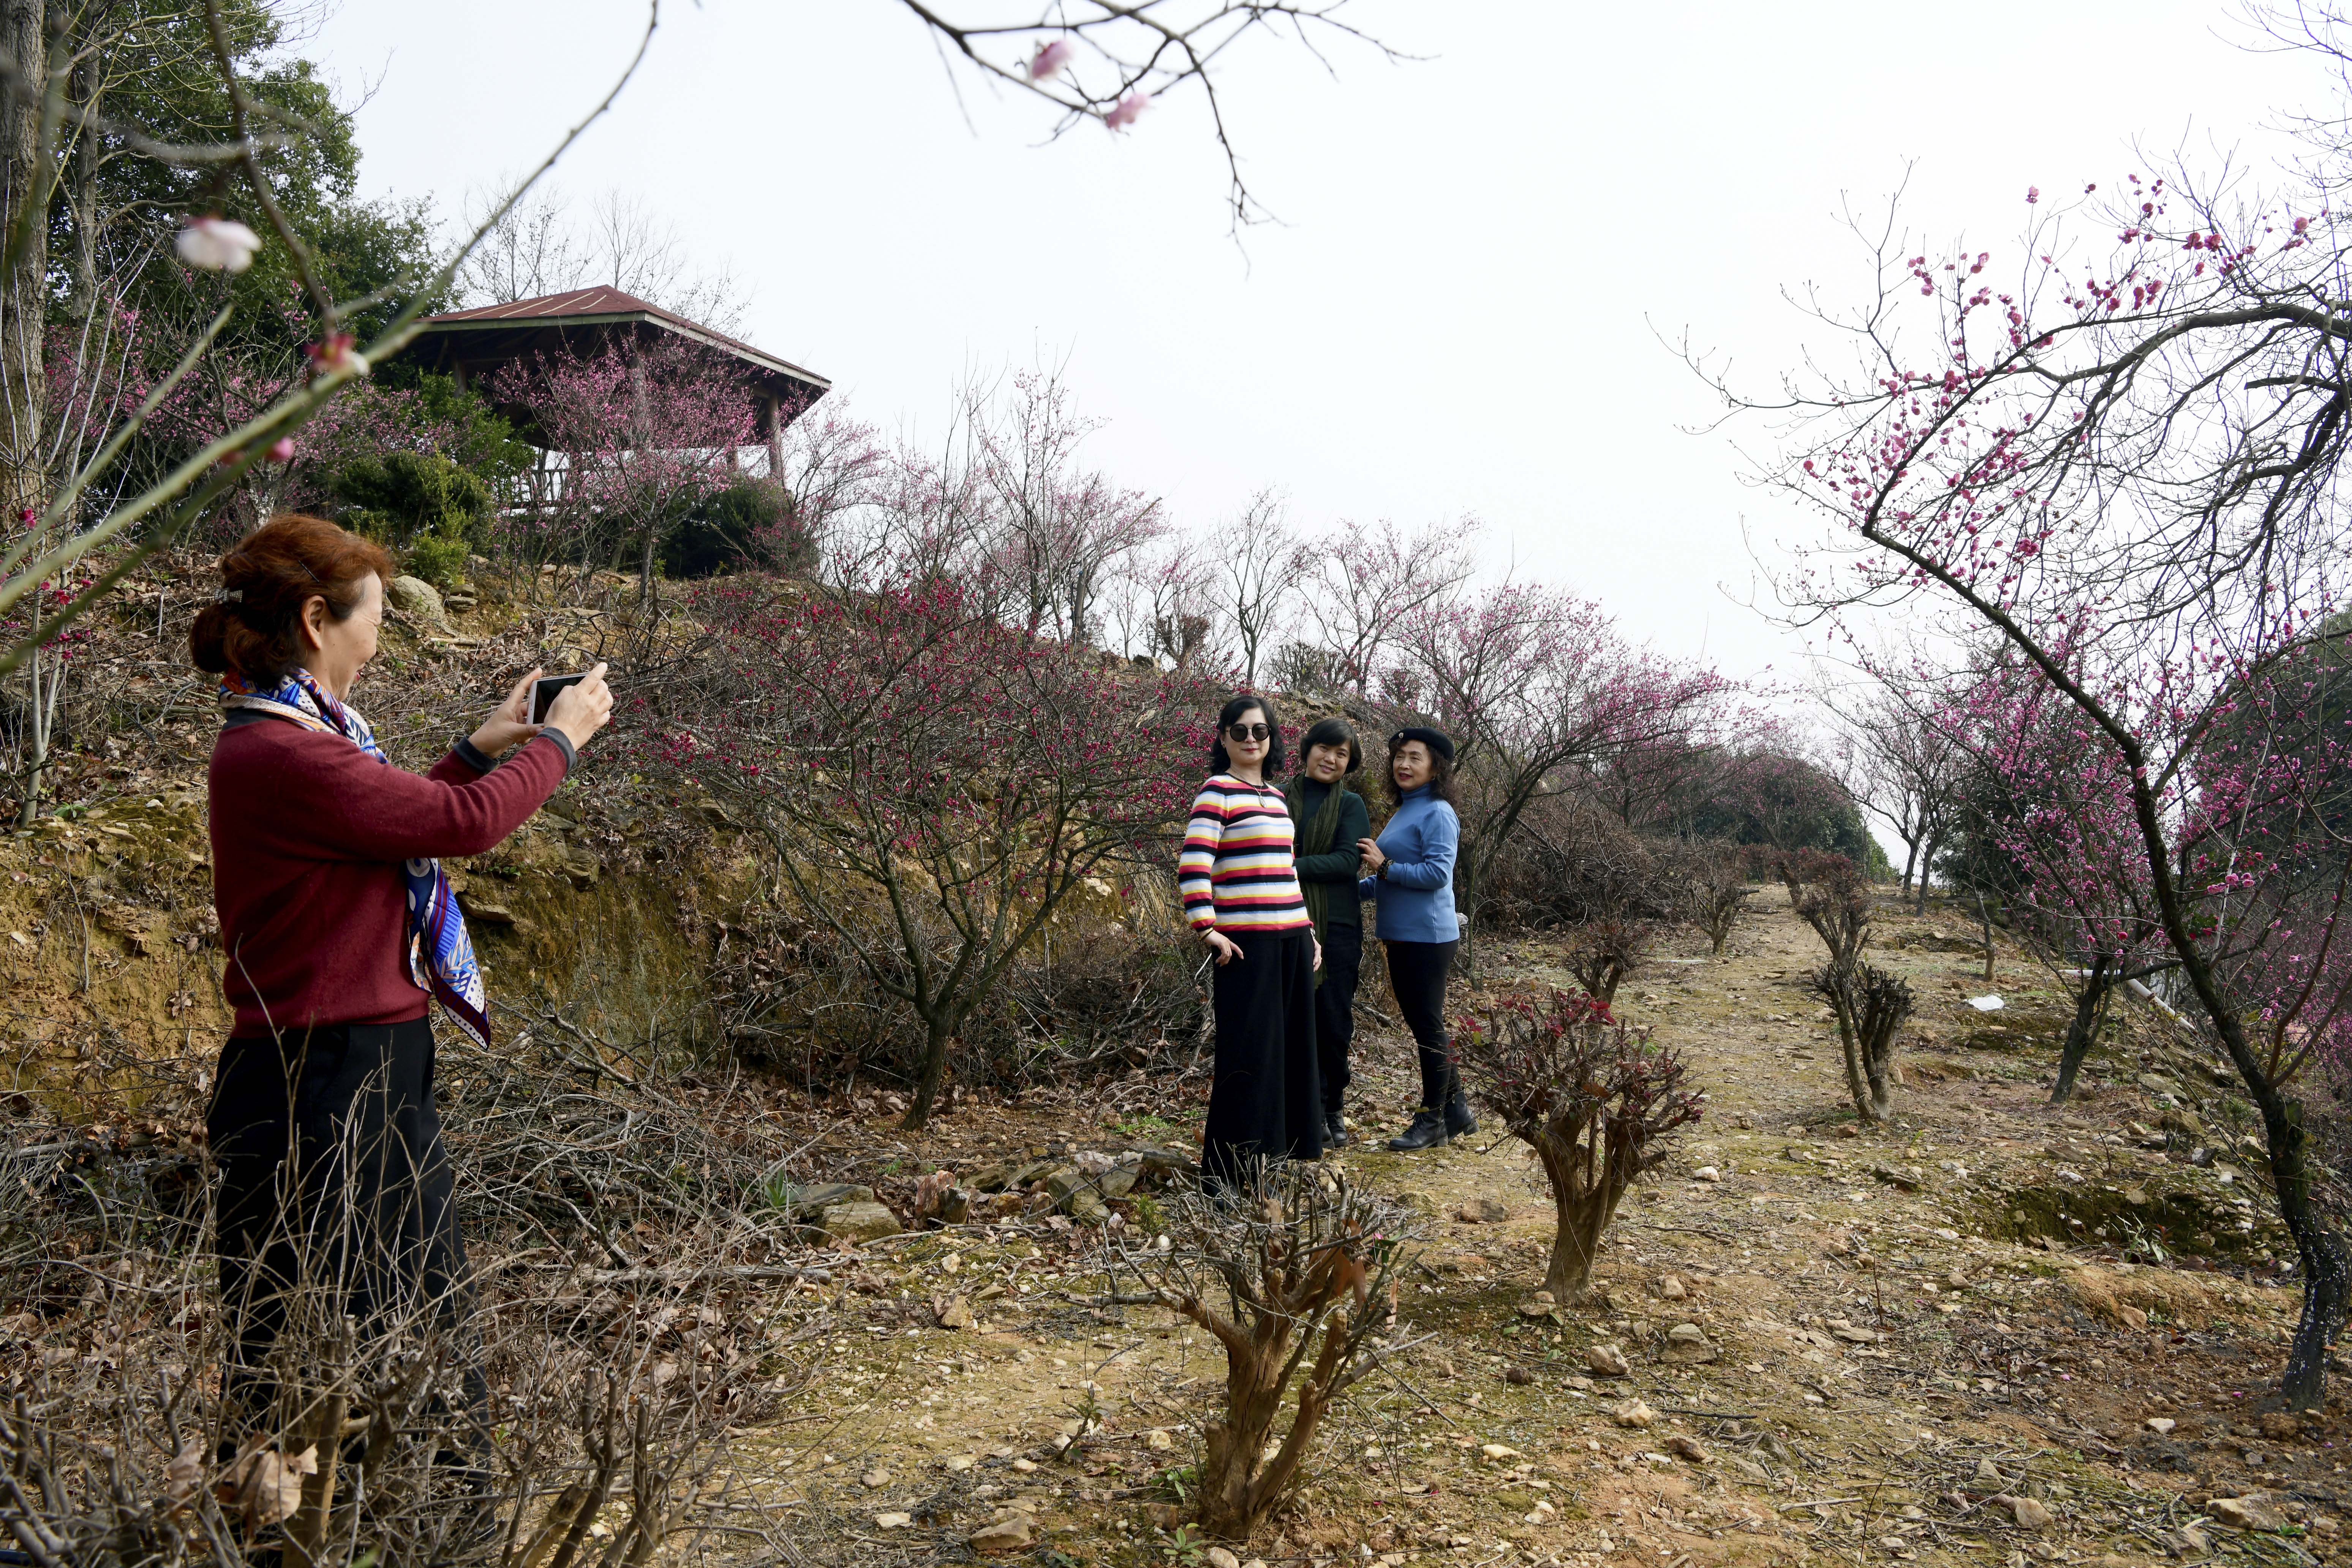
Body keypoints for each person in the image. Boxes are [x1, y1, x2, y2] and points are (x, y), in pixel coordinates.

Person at [191, 514, 612, 1432]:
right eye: (375, 613)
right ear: (316, 619)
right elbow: (459, 825)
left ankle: (309, 1523)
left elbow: (386, 826)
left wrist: (478, 747)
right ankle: (430, 1526)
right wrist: (560, 740)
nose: (381, 635)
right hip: (338, 1083)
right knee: (409, 1334)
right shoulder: (290, 751)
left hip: (317, 1071)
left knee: (301, 1343)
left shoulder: (296, 738)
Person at [1179, 695, 1323, 1189]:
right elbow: (1193, 866)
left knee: (1288, 1053)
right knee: (1247, 1056)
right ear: (1223, 739)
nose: (1250, 740)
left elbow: (1286, 874)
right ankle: (1223, 1179)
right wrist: (1208, 928)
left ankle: (1270, 1162)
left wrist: (1308, 931)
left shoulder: (1279, 799)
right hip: (1245, 948)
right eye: (1239, 732)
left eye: (1259, 732)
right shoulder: (1216, 792)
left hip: (1291, 942)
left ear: (1271, 739)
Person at [1359, 726, 1475, 1152]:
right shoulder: (1406, 808)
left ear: (1435, 767)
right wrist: (1345, 891)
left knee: (1427, 1026)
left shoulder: (1439, 812)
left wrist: (1384, 867)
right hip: (1404, 935)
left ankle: (1432, 1121)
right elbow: (1387, 879)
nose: (1404, 764)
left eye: (1415, 757)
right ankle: (1457, 1108)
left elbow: (1435, 876)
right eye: (1400, 756)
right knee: (1427, 1023)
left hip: (1427, 936)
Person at [1284, 716, 1370, 1149]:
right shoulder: (1278, 799)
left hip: (1337, 926)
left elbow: (1346, 864)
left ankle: (1332, 1103)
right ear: (1308, 750)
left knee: (1333, 1020)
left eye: (1342, 755)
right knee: (1295, 1018)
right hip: (1284, 919)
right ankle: (1306, 1110)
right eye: (1325, 749)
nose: (1331, 759)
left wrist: (1292, 866)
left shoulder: (1351, 805)